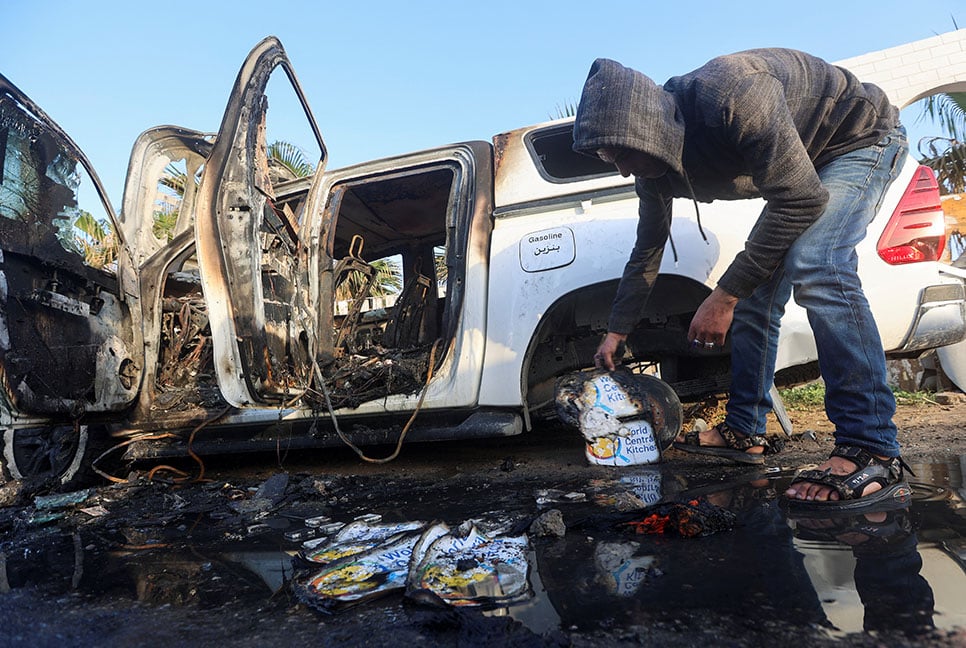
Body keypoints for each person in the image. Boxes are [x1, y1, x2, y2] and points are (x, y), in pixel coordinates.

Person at [572, 49, 911, 509]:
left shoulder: (731, 92)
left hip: (858, 141)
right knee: (755, 301)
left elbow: (800, 199)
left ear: (649, 128)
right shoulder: (652, 171)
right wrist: (616, 332)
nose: (624, 170)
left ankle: (870, 447)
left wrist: (723, 295)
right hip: (802, 170)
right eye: (610, 160)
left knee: (818, 264)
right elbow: (647, 249)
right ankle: (743, 431)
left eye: (625, 154)